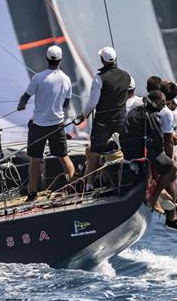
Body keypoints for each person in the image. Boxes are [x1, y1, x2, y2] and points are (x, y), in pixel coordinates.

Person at [17, 45, 76, 201]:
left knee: (35, 159)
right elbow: (66, 104)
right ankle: (73, 187)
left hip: (38, 125)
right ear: (60, 60)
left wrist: (20, 106)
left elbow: (25, 97)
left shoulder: (38, 77)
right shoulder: (66, 79)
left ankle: (33, 193)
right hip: (57, 125)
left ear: (47, 59)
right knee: (64, 157)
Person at [78, 47, 131, 189]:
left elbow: (93, 103)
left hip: (102, 123)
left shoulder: (99, 78)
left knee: (95, 152)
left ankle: (89, 184)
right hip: (121, 120)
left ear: (102, 60)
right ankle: (126, 179)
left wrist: (84, 115)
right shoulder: (127, 76)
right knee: (123, 149)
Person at [142, 90, 177, 232]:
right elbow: (166, 141)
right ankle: (168, 209)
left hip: (151, 150)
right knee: (170, 170)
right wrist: (170, 158)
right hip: (152, 151)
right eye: (172, 103)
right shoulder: (167, 112)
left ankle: (172, 205)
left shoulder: (145, 108)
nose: (175, 106)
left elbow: (168, 136)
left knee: (169, 172)